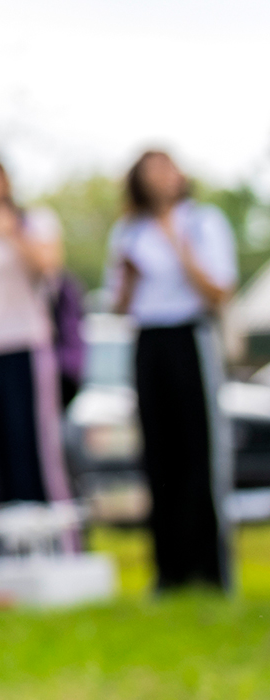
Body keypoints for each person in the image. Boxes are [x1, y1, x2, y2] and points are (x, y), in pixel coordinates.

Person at [106, 149, 237, 592]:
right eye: (151, 171)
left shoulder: (202, 223)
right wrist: (129, 279)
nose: (162, 177)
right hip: (149, 340)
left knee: (199, 452)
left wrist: (180, 247)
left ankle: (211, 569)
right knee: (158, 455)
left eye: (167, 167)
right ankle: (170, 570)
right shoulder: (128, 231)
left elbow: (219, 291)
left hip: (190, 335)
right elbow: (117, 305)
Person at [0, 156, 72, 506]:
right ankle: (6, 544)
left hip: (24, 345)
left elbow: (50, 269)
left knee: (30, 449)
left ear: (5, 181)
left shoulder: (34, 221)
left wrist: (13, 233)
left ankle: (50, 538)